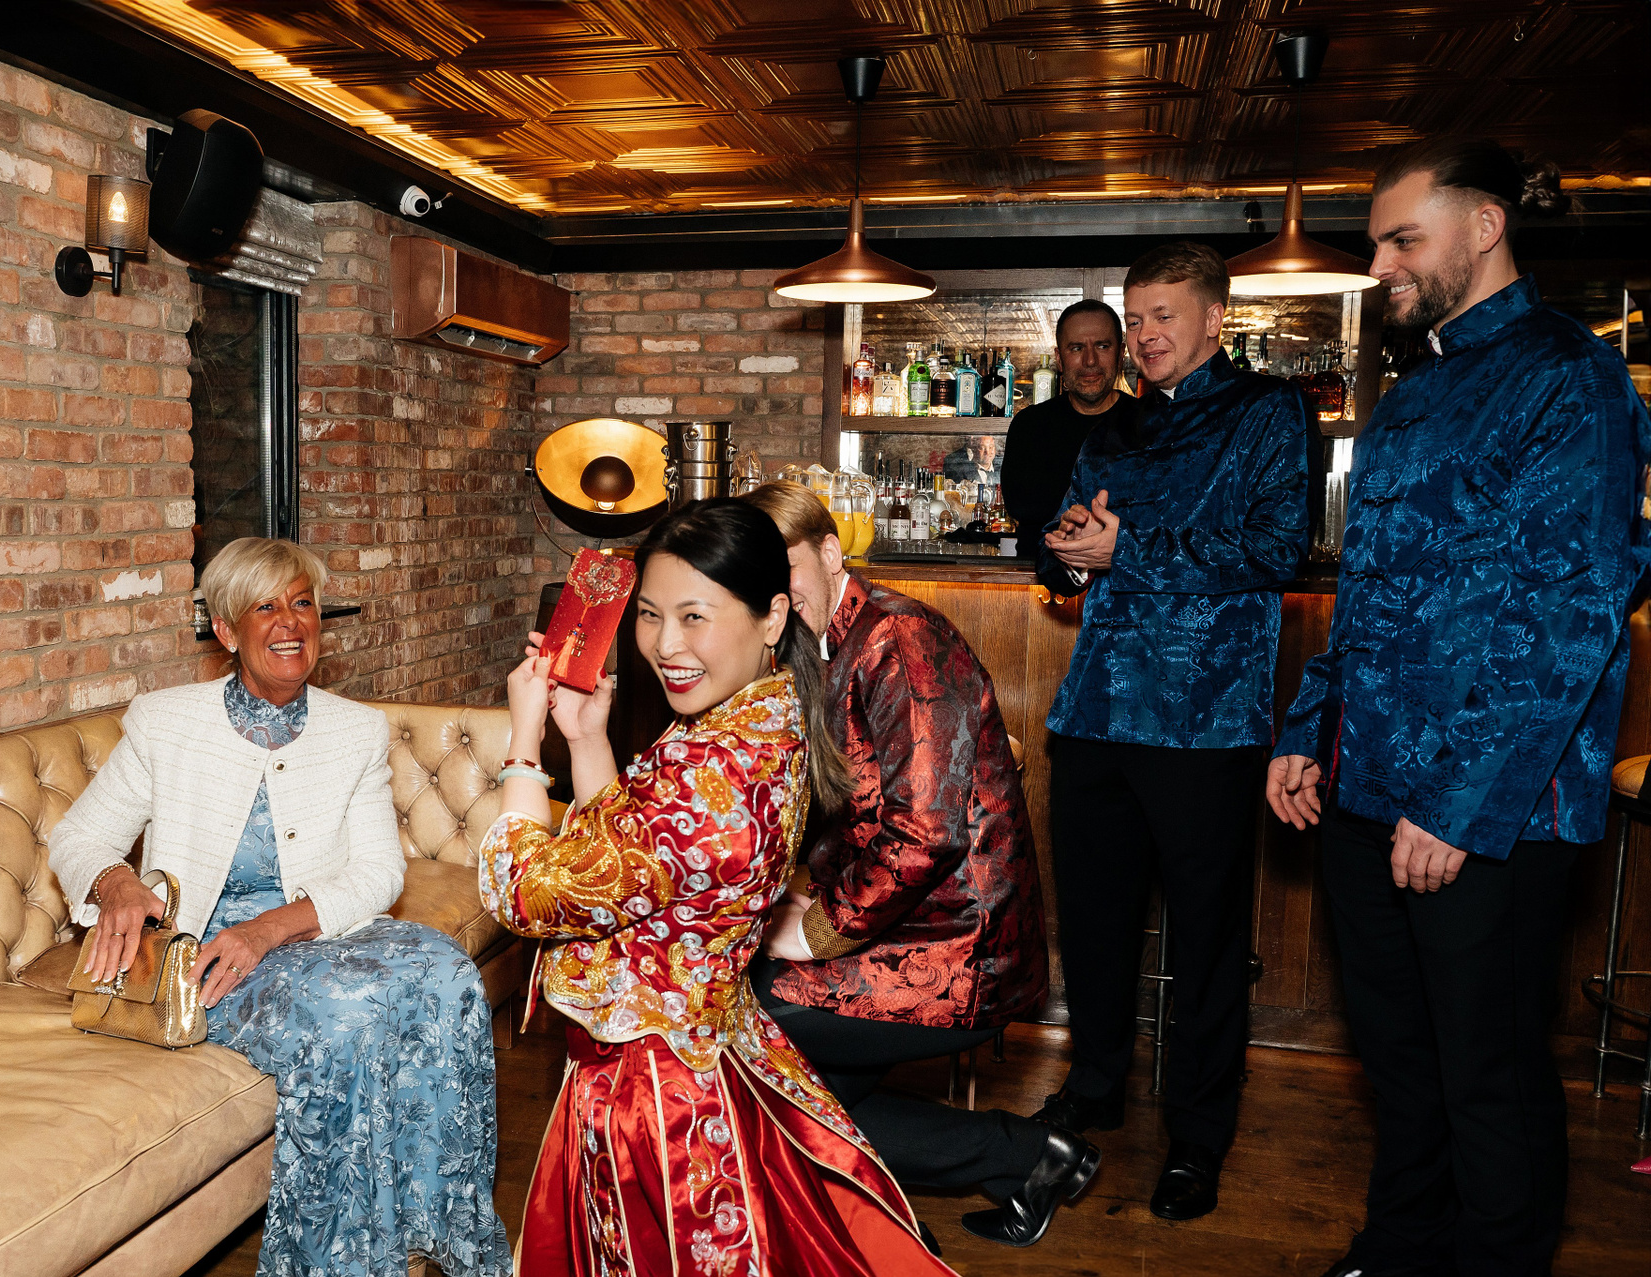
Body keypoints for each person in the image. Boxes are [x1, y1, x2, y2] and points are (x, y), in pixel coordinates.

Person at [1267, 139, 1650, 1277]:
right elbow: (1370, 593)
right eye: (1377, 242)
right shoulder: (1414, 389)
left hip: (1492, 811)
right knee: (1397, 1055)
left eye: (1403, 239)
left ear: (1485, 227)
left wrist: (1458, 806)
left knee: (1488, 1071)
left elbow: (1568, 615)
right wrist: (1308, 728)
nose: (1381, 263)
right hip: (1368, 783)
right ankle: (1400, 1246)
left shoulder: (1573, 377)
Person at [479, 500, 955, 1276]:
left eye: (694, 616)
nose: (666, 644)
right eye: (650, 615)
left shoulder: (708, 775)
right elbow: (630, 861)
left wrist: (523, 744)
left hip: (652, 1096)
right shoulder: (757, 719)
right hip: (701, 1053)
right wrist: (588, 736)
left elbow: (521, 890)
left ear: (773, 617)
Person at [49, 538, 510, 1277]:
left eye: (302, 603)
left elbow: (378, 872)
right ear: (227, 630)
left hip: (311, 931)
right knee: (350, 1018)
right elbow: (79, 837)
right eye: (265, 607)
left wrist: (268, 929)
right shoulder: (166, 724)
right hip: (208, 958)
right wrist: (117, 883)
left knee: (449, 974)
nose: (290, 622)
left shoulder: (355, 729)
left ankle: (436, 1235)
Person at [740, 480, 1098, 1250]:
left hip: (964, 942)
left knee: (760, 1025)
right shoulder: (814, 645)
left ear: (829, 552)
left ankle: (914, 1210)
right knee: (795, 1091)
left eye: (784, 565)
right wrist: (794, 892)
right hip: (901, 923)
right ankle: (1020, 1163)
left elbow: (927, 833)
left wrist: (819, 928)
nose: (774, 589)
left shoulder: (898, 638)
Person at [1036, 242, 1311, 1222]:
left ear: (1213, 317)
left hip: (1207, 720)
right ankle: (1095, 1085)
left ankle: (1199, 1131)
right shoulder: (1113, 425)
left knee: (1206, 940)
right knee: (1095, 923)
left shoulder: (1270, 410)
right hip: (1097, 710)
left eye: (1162, 316)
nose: (1144, 336)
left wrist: (1131, 547)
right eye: (1135, 318)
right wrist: (1069, 555)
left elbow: (1279, 547)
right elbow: (1068, 543)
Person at [1000, 299, 1139, 541]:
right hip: (1041, 565)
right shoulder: (1030, 425)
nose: (1090, 361)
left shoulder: (1150, 423)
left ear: (1120, 354)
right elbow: (1022, 508)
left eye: (1102, 346)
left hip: (1124, 566)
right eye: (1076, 348)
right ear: (1059, 359)